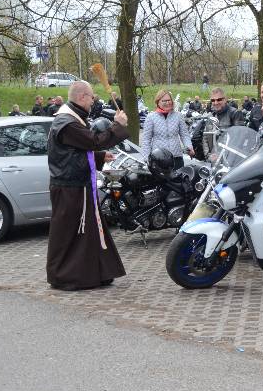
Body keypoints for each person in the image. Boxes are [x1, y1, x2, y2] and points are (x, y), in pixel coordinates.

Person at [46, 80, 129, 291]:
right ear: (82, 97)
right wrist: (117, 125)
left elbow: (77, 150)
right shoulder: (67, 122)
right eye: (91, 97)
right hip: (70, 188)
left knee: (89, 231)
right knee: (70, 234)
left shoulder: (72, 119)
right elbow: (93, 141)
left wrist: (99, 157)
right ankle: (65, 276)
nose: (93, 101)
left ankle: (96, 273)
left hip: (78, 186)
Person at [140, 89, 194, 170]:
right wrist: (146, 158)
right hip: (159, 159)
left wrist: (189, 147)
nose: (167, 103)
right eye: (164, 101)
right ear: (158, 102)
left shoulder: (178, 116)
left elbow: (185, 135)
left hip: (177, 158)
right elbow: (146, 140)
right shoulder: (151, 117)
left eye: (169, 100)